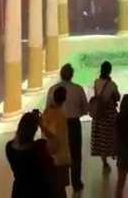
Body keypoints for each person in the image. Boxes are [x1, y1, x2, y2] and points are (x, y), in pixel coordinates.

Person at [46, 63, 88, 192]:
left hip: (57, 125)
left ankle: (58, 183)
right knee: (75, 154)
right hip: (74, 124)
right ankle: (76, 183)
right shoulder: (78, 89)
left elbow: (48, 108)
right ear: (72, 75)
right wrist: (77, 113)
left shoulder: (52, 89)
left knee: (57, 153)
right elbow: (85, 108)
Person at [6, 111, 56, 198]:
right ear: (35, 129)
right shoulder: (39, 147)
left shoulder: (9, 147)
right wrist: (42, 125)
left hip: (19, 191)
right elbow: (55, 142)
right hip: (38, 191)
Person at [42, 86, 71, 198]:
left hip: (49, 155)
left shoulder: (47, 112)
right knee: (60, 190)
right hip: (60, 157)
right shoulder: (60, 115)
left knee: (54, 189)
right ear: (64, 99)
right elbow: (53, 135)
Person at [91, 60, 120, 172]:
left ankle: (104, 163)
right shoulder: (112, 85)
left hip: (99, 114)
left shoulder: (96, 82)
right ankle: (115, 154)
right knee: (113, 136)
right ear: (110, 71)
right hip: (109, 114)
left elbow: (96, 95)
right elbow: (117, 97)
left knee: (101, 139)